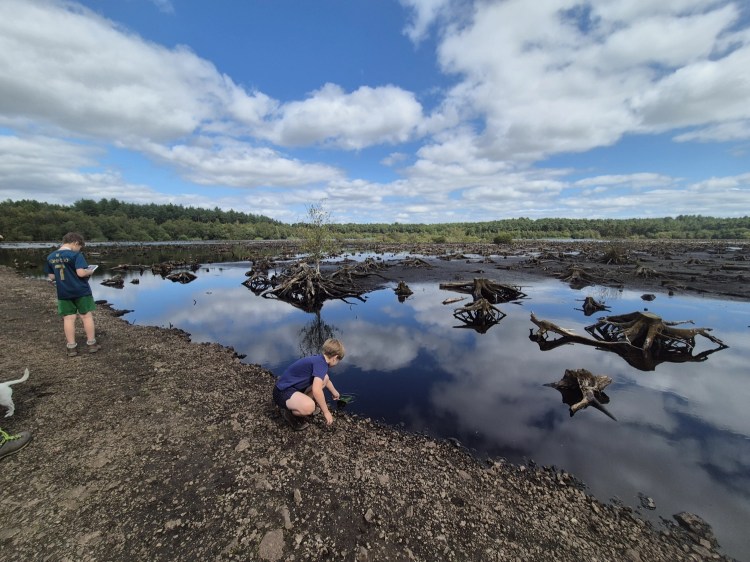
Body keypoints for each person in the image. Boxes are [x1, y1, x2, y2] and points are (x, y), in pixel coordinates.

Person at [44, 232, 101, 357]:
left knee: (68, 318)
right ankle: (91, 344)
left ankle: (71, 347)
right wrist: (89, 272)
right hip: (81, 291)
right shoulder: (76, 255)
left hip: (63, 292)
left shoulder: (50, 257)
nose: (79, 249)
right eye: (79, 246)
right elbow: (81, 273)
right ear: (75, 243)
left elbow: (52, 276)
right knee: (86, 316)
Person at [272, 338, 345, 431]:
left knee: (324, 378)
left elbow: (326, 379)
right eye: (338, 360)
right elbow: (317, 390)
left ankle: (299, 403)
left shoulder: (319, 360)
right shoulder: (321, 364)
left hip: (293, 388)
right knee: (309, 407)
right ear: (335, 358)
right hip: (282, 392)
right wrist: (326, 412)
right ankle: (288, 412)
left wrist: (334, 392)